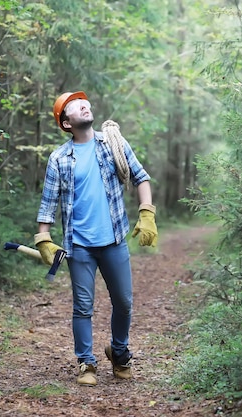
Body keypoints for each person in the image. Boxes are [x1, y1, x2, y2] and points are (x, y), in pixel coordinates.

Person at [34, 90, 158, 386]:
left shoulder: (113, 143)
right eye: (75, 105)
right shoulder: (59, 158)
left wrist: (147, 214)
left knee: (124, 302)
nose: (84, 104)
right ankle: (86, 363)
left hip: (114, 239)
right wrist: (43, 237)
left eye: (84, 101)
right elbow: (48, 203)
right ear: (66, 122)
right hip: (79, 246)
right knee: (82, 307)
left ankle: (119, 352)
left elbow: (141, 177)